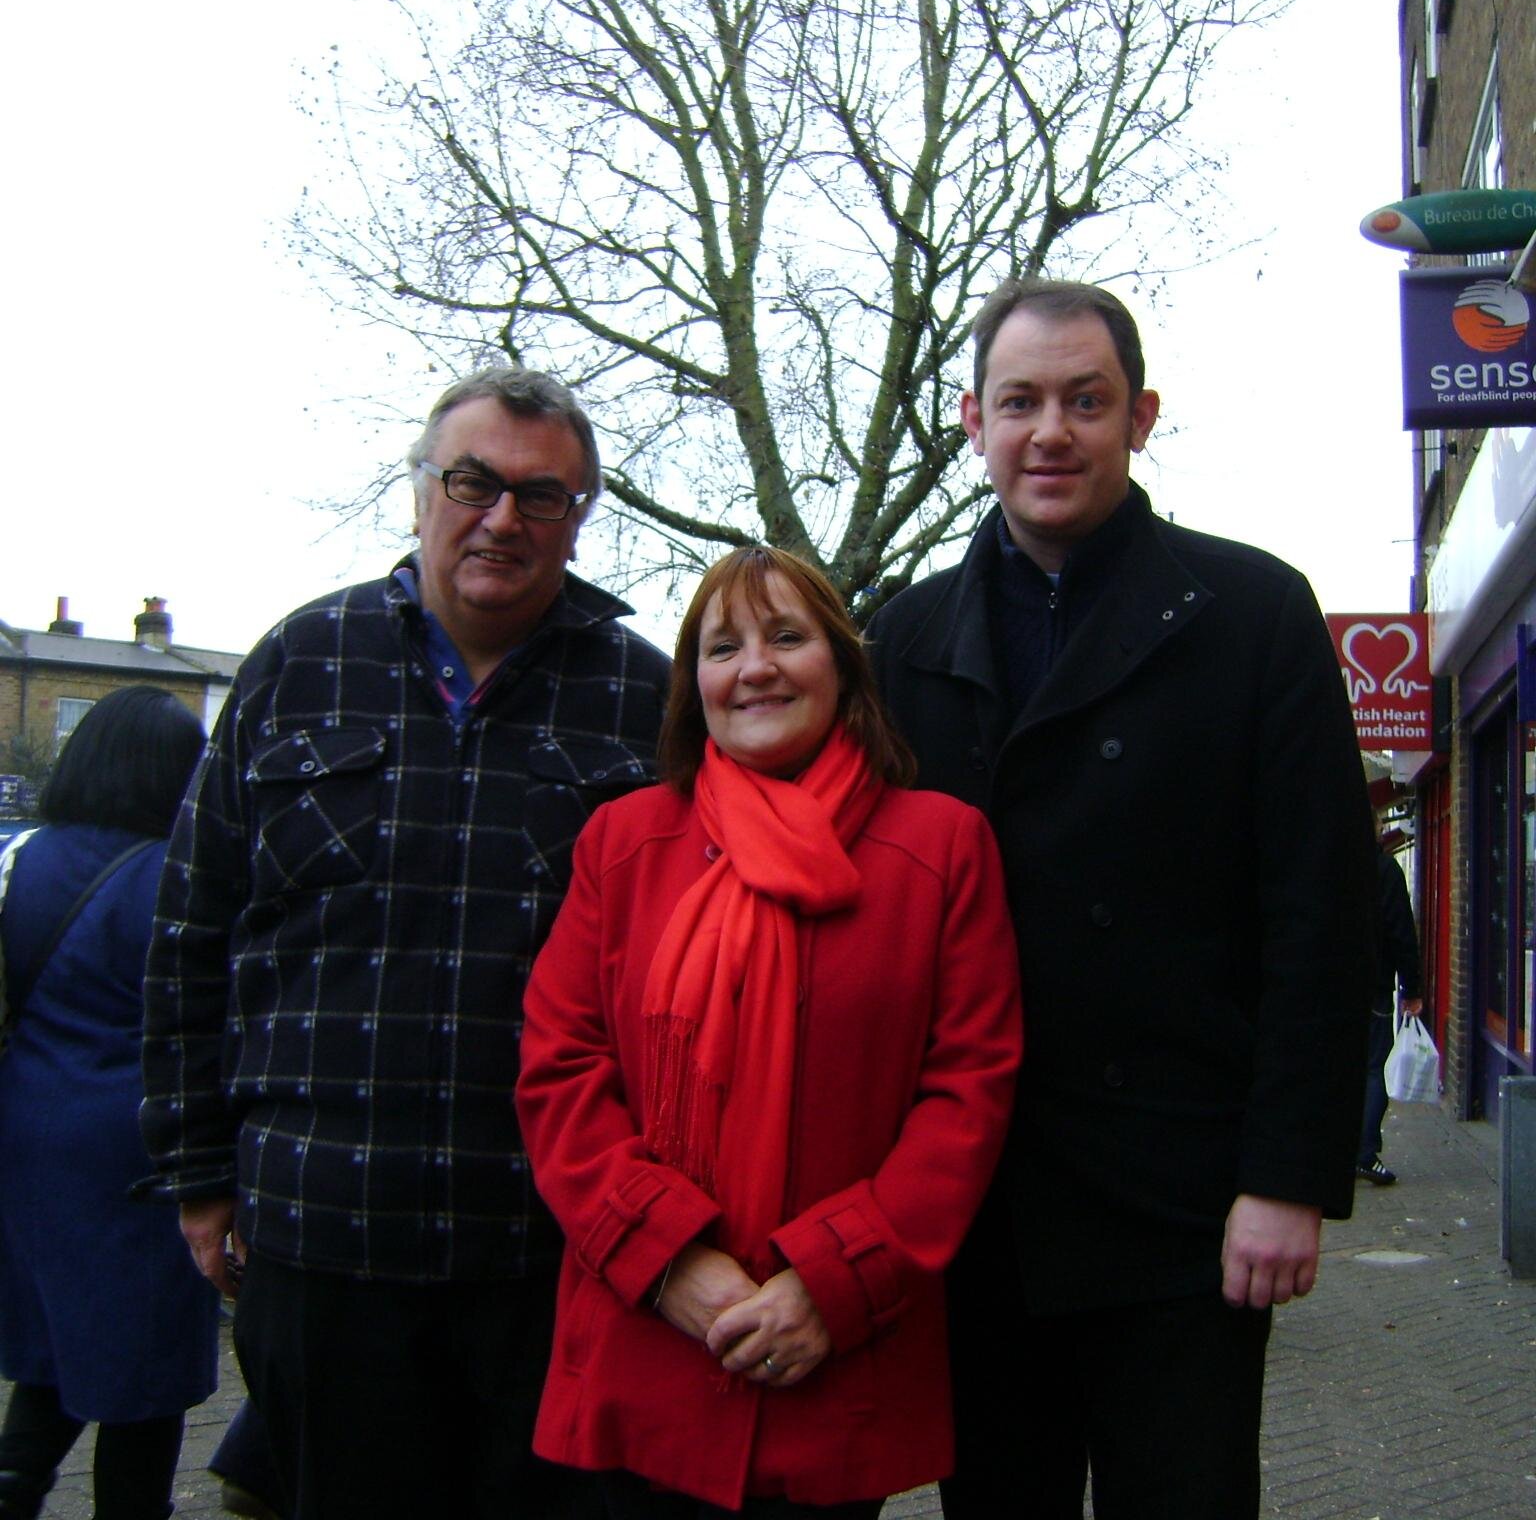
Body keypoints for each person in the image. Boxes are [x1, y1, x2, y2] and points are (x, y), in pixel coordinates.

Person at [867, 277, 1376, 1520]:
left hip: (1186, 1200)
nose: (1052, 431)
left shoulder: (1253, 611)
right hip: (976, 1202)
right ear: (974, 424)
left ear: (1140, 417)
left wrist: (1289, 1176)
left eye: (1085, 401)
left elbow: (1324, 909)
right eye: (1021, 401)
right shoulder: (897, 637)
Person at [139, 366, 672, 1519]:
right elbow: (193, 929)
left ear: (582, 518)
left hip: (552, 1249)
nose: (501, 520)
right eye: (473, 483)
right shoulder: (298, 663)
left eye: (543, 498)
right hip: (323, 1235)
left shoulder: (648, 700)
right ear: (419, 488)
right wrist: (195, 1175)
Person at [514, 546, 1022, 1517]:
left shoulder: (942, 847)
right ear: (691, 683)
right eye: (722, 646)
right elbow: (560, 1071)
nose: (755, 666)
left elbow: (969, 1093)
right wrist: (668, 1264)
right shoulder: (621, 843)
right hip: (648, 1339)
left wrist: (833, 1283)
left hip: (830, 1359)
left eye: (787, 636)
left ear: (841, 664)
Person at [0, 687, 217, 1520]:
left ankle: (15, 1483)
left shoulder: (20, 855)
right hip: (138, 1151)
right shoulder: (178, 880)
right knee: (146, 1370)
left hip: (26, 1132)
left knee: (53, 1343)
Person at [1358, 835, 1425, 1186]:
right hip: (1373, 988)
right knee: (1373, 1070)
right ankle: (1365, 1153)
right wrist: (1411, 988)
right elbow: (1401, 931)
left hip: (1331, 990)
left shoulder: (1331, 869)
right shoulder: (1384, 871)